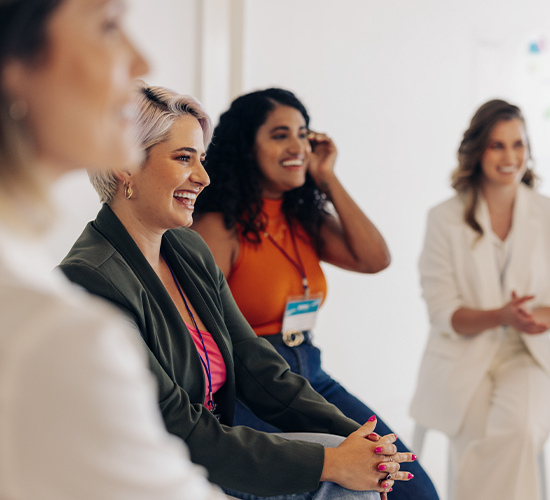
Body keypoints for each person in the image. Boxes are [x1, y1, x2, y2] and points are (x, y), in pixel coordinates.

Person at [60, 81, 416, 500]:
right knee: (342, 487)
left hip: (207, 453)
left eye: (202, 159)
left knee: (363, 475)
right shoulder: (91, 278)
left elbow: (256, 365)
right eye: (183, 158)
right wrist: (332, 462)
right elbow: (175, 424)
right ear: (125, 165)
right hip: (154, 472)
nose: (203, 177)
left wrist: (360, 440)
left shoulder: (186, 248)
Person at [0, 0, 232, 498]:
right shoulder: (60, 325)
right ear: (13, 58)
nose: (140, 62)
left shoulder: (188, 251)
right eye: (108, 25)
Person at [191, 88, 438, 500]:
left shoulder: (302, 218)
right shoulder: (219, 228)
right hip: (253, 385)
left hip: (310, 373)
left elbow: (375, 258)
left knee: (412, 489)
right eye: (280, 135)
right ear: (246, 148)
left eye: (303, 134)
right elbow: (194, 330)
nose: (297, 146)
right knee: (347, 487)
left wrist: (327, 177)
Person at [410, 99, 550, 500]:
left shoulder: (547, 213)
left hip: (530, 353)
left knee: (520, 430)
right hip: (462, 354)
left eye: (518, 145)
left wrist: (530, 316)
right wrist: (501, 315)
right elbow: (443, 313)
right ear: (477, 151)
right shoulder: (444, 217)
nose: (510, 157)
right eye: (497, 145)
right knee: (483, 436)